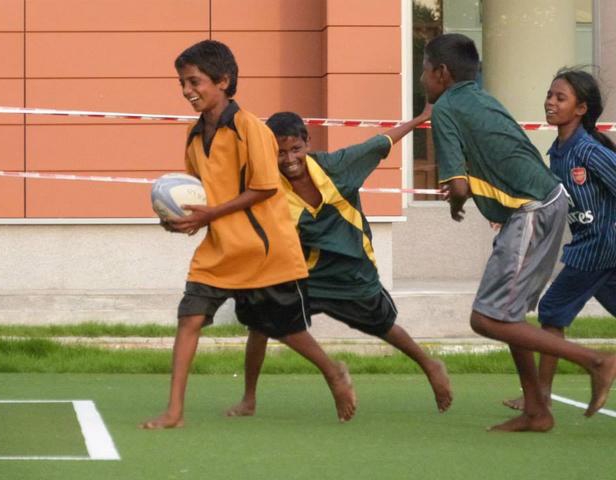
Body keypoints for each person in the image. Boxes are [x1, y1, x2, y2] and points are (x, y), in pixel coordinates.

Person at [140, 40, 356, 429]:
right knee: (189, 318)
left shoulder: (252, 128)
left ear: (223, 80)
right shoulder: (193, 137)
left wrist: (210, 214)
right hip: (219, 250)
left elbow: (265, 188)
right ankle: (174, 411)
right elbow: (196, 193)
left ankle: (332, 371)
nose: (187, 91)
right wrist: (178, 217)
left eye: (194, 82)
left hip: (263, 249)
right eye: (182, 83)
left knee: (285, 329)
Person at [421, 33, 616, 432]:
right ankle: (537, 409)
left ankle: (595, 361)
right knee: (510, 315)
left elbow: (457, 185)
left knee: (487, 319)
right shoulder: (483, 98)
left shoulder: (445, 109)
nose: (422, 80)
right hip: (539, 208)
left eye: (424, 71)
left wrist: (459, 201)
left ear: (441, 73)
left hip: (539, 215)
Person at [225, 107, 453, 418]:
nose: (289, 159)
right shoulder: (268, 186)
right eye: (280, 153)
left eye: (296, 149)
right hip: (307, 271)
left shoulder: (339, 166)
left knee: (383, 326)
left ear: (308, 142)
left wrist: (423, 115)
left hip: (352, 269)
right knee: (262, 319)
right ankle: (253, 397)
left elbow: (382, 141)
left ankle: (430, 365)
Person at [503, 68, 616, 412]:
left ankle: (540, 397)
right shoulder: (559, 152)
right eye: (550, 95)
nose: (550, 102)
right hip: (593, 247)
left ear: (581, 109)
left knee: (552, 311)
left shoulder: (588, 151)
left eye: (560, 97)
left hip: (598, 247)